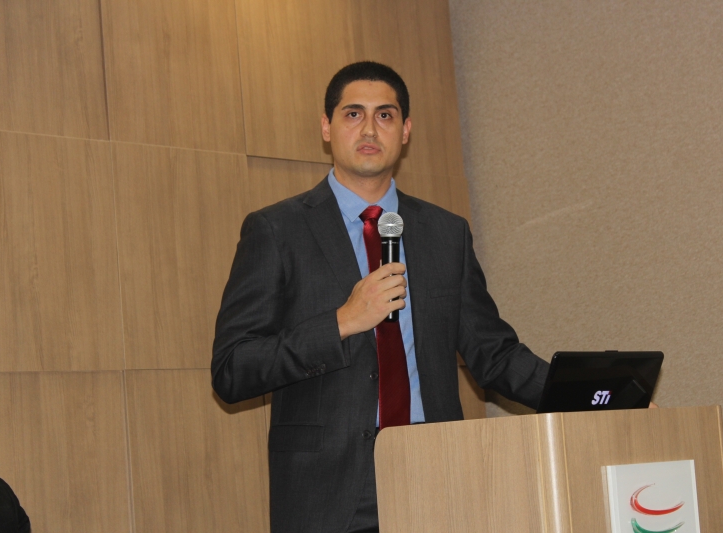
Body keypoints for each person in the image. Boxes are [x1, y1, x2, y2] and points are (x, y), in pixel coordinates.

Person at [212, 61, 549, 533]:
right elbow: (233, 368)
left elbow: (495, 355)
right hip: (328, 491)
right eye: (353, 114)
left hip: (437, 474)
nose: (369, 128)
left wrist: (596, 396)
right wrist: (342, 322)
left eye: (385, 115)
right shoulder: (277, 230)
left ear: (405, 131)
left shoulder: (445, 233)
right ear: (326, 127)